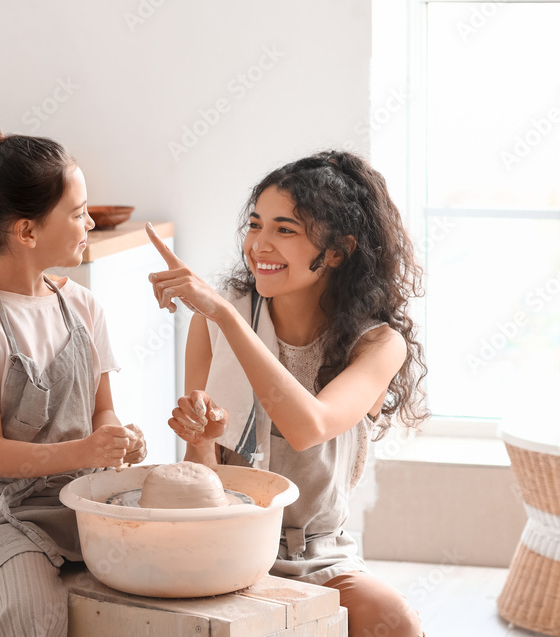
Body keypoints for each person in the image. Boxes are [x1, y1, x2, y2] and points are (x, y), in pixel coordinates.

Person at [145, 150, 428, 637]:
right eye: (256, 225)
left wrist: (227, 317)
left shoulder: (379, 344)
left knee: (395, 621)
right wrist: (202, 437)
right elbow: (200, 479)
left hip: (318, 555)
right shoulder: (210, 325)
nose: (259, 245)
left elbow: (308, 427)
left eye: (285, 230)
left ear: (337, 252)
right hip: (225, 543)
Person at [0, 110, 147, 637]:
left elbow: (102, 407)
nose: (90, 224)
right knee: (34, 616)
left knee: (170, 571)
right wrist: (84, 452)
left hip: (86, 496)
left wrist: (114, 437)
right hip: (4, 511)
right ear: (27, 230)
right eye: (77, 214)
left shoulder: (84, 306)